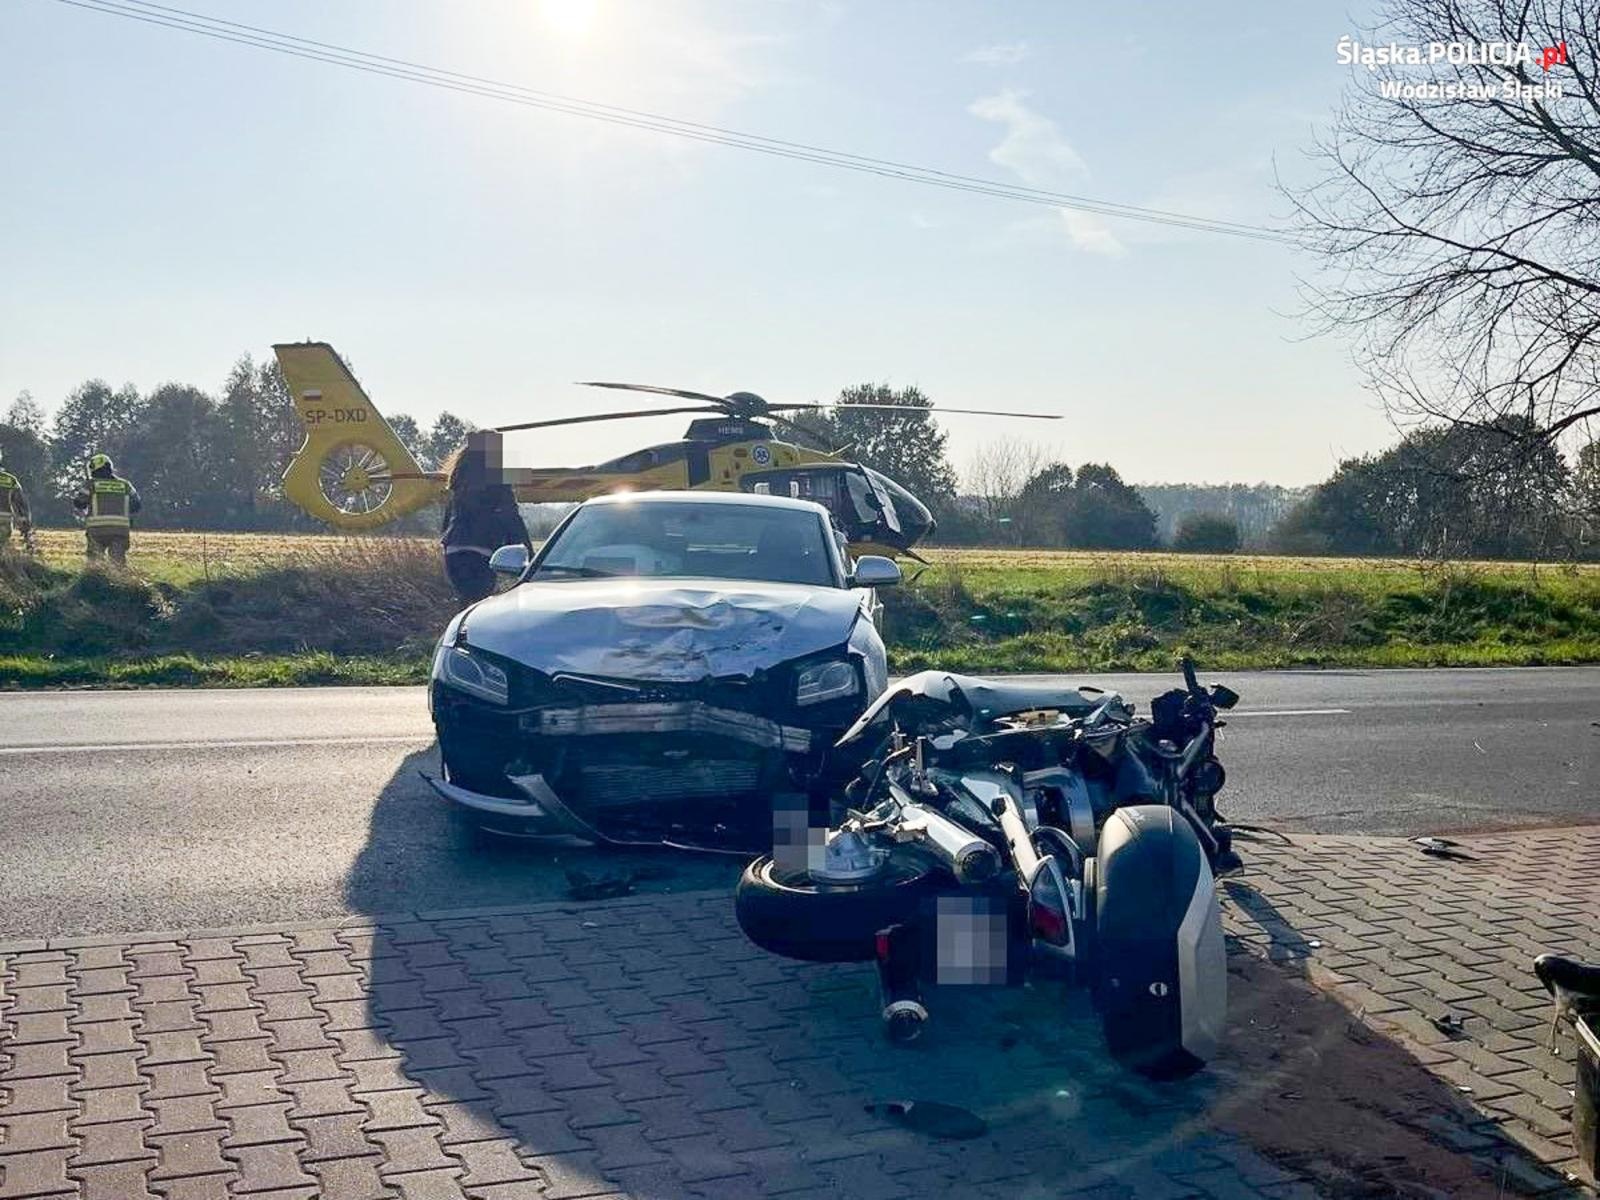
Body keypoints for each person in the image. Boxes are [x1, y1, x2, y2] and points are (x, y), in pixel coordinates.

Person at [440, 430, 530, 606]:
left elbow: (448, 517)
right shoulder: (498, 475)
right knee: (480, 604)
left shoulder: (459, 478)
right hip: (482, 548)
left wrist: (445, 542)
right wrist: (527, 553)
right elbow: (511, 516)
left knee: (465, 603)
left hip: (453, 551)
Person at [72, 454, 141, 565]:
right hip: (120, 530)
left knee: (95, 563)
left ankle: (95, 580)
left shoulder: (91, 484)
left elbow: (80, 503)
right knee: (117, 563)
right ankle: (120, 581)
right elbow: (136, 505)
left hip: (97, 531)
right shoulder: (125, 485)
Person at [0, 448, 31, 552]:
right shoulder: (11, 480)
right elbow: (21, 502)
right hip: (5, 519)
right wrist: (25, 520)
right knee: (2, 547)